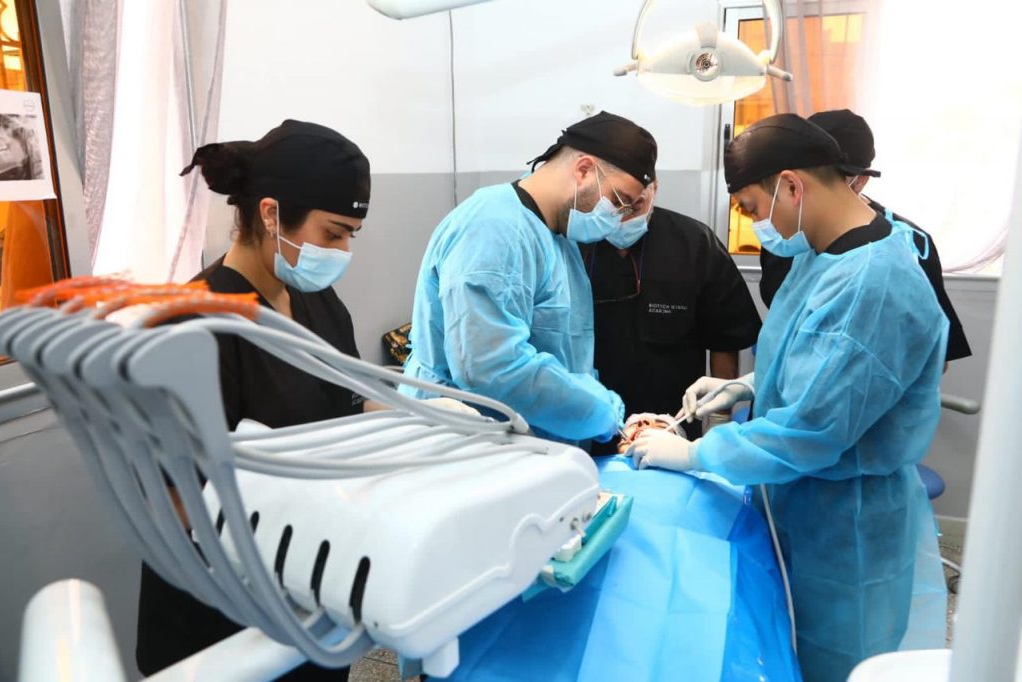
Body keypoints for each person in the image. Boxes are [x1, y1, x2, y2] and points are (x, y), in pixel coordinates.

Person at [136, 119, 465, 679]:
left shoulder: (318, 304)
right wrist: (301, 492)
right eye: (333, 233)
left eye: (351, 236)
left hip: (309, 589)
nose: (343, 251)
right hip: (222, 618)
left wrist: (423, 418)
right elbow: (173, 501)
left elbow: (345, 401)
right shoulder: (194, 323)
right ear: (270, 214)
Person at [627, 114, 948, 681]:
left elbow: (811, 431)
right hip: (802, 504)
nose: (756, 226)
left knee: (835, 663)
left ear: (792, 186)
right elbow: (820, 367)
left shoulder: (872, 282)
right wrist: (748, 384)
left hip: (846, 529)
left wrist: (696, 453)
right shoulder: (823, 254)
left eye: (752, 208)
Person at [400, 111, 659, 442]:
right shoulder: (493, 227)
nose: (618, 217)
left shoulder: (558, 236)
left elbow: (566, 354)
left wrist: (599, 407)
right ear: (583, 170)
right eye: (619, 201)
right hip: (465, 441)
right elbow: (491, 367)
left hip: (525, 444)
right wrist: (600, 413)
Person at [759, 108, 971, 367]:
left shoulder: (906, 245)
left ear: (860, 181)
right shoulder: (785, 236)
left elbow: (935, 355)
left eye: (824, 180)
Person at [582, 195, 761, 453]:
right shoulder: (577, 241)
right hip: (586, 424)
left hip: (673, 428)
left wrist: (718, 425)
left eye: (635, 205)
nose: (624, 215)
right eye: (616, 203)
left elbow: (725, 339)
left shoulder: (695, 244)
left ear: (653, 188)